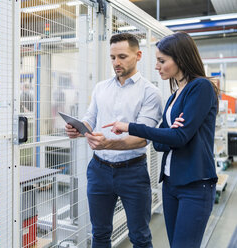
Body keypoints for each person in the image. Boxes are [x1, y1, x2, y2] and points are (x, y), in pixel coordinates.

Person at [104, 31, 219, 248]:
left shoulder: (201, 88)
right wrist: (172, 135)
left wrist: (131, 127)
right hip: (170, 183)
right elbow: (160, 142)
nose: (156, 66)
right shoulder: (174, 96)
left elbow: (179, 137)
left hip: (195, 184)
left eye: (161, 61)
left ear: (180, 59)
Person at [65, 33, 162, 248]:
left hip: (133, 173)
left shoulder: (150, 93)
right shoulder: (101, 88)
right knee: (99, 233)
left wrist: (108, 143)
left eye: (122, 56)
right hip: (99, 169)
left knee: (140, 236)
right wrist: (79, 128)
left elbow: (142, 138)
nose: (116, 63)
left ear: (138, 55)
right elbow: (90, 118)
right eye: (112, 57)